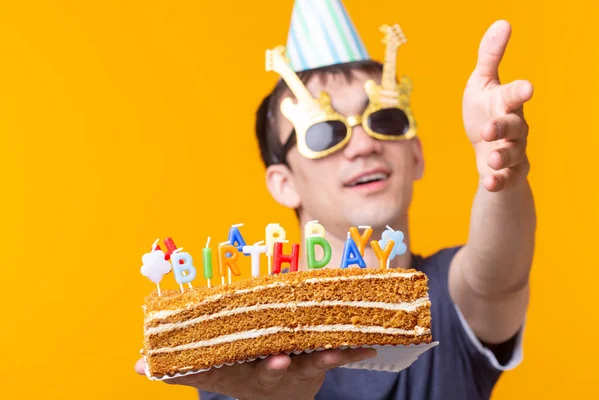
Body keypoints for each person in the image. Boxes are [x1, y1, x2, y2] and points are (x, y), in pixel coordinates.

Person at [135, 1, 536, 398]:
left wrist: (503, 175)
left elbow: (499, 278)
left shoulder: (448, 299)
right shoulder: (244, 348)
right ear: (283, 183)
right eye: (324, 132)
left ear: (416, 154)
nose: (363, 144)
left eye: (384, 119)